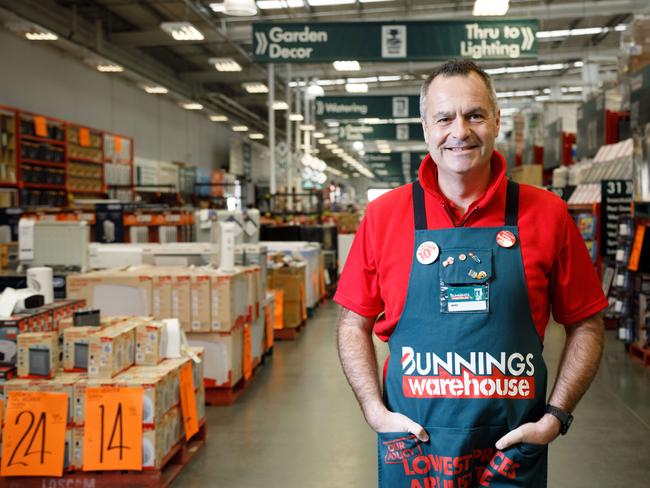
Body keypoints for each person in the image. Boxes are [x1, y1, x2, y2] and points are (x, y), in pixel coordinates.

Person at [334, 59, 607, 487]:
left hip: (512, 454)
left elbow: (586, 322)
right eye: (444, 118)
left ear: (496, 121)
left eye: (474, 115)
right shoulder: (384, 216)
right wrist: (373, 409)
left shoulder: (547, 214)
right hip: (414, 451)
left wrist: (554, 417)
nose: (459, 131)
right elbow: (353, 322)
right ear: (426, 128)